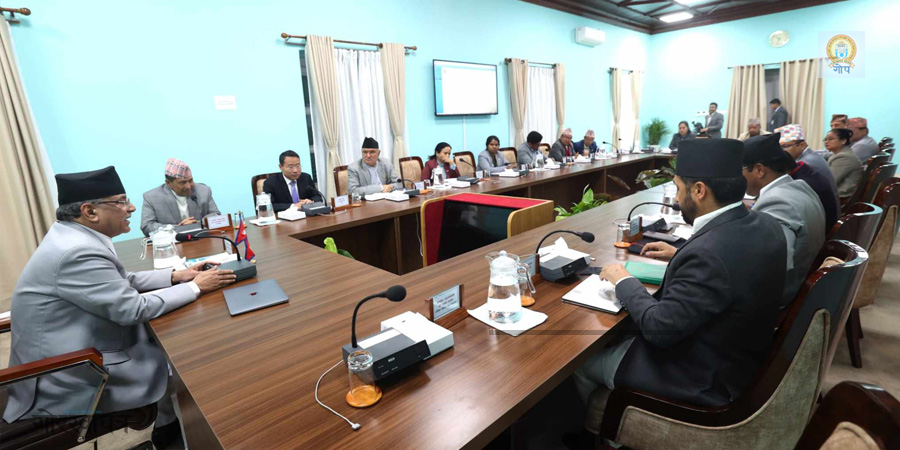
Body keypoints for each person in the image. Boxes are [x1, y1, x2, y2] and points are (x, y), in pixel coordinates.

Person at [3, 166, 236, 449]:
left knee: (174, 343)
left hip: (72, 347)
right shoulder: (78, 251)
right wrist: (196, 287)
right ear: (90, 211)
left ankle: (170, 426)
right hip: (67, 374)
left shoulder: (74, 235)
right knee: (188, 357)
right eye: (121, 202)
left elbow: (119, 279)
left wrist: (176, 276)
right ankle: (183, 433)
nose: (131, 207)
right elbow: (132, 310)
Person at [576, 139, 787, 433]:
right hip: (740, 356)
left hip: (701, 377)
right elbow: (729, 267)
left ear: (699, 190)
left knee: (583, 361)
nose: (676, 198)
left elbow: (659, 329)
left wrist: (623, 280)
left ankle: (606, 434)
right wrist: (680, 254)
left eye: (677, 188)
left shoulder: (708, 254)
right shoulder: (767, 224)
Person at [743, 133, 826, 306]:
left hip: (779, 300)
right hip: (802, 283)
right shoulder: (800, 187)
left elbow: (772, 267)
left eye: (739, 171)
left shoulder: (777, 203)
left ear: (759, 170)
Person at [776, 124, 840, 229]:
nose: (781, 151)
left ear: (802, 145)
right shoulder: (809, 156)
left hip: (824, 221)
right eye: (779, 147)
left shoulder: (806, 163)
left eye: (785, 146)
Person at [140, 158, 220, 236]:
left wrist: (199, 223)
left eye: (190, 180)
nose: (188, 186)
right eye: (183, 182)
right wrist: (177, 228)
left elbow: (216, 215)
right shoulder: (151, 197)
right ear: (169, 183)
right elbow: (147, 226)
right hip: (172, 241)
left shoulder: (204, 190)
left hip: (201, 238)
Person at [825, 128, 864, 199]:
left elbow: (829, 182)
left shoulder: (844, 157)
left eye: (830, 139)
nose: (826, 142)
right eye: (825, 139)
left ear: (843, 141)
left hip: (841, 198)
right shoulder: (841, 154)